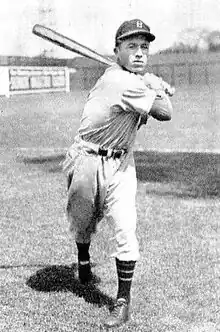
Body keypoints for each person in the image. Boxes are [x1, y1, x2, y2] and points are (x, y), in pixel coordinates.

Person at [63, 18, 173, 328]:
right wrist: (155, 86)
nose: (139, 53)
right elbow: (164, 112)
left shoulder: (132, 79)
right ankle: (83, 258)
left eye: (144, 47)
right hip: (86, 160)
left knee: (126, 228)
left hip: (122, 162)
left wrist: (151, 84)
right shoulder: (120, 82)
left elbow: (153, 108)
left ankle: (122, 301)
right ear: (117, 51)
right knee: (82, 221)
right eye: (131, 46)